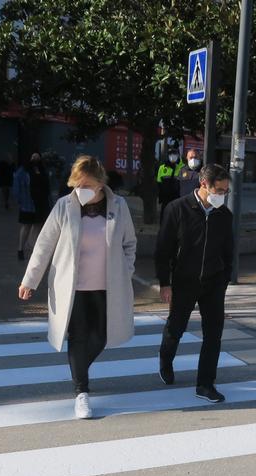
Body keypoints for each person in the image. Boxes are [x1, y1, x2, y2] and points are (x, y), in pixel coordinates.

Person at [19, 155, 138, 419]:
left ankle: (78, 370)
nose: (81, 190)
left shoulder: (118, 206)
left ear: (100, 183)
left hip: (108, 287)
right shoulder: (64, 206)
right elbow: (43, 245)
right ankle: (81, 392)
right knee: (78, 338)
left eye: (87, 185)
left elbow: (130, 244)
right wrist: (30, 280)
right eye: (77, 184)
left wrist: (125, 271)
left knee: (102, 336)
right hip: (72, 289)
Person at [154, 163, 235, 403]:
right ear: (203, 185)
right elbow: (163, 249)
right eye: (218, 190)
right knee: (176, 327)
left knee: (214, 334)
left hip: (213, 282)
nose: (221, 196)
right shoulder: (177, 209)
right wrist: (164, 283)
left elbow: (228, 251)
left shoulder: (224, 215)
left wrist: (224, 279)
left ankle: (205, 384)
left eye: (225, 191)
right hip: (183, 281)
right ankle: (165, 359)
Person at [14, 156, 39, 260]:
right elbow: (16, 189)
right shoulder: (22, 172)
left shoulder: (38, 169)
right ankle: (21, 249)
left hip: (37, 204)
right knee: (26, 226)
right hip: (27, 204)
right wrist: (20, 201)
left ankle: (30, 247)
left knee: (35, 225)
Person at [157, 142, 184, 215]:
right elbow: (159, 184)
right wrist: (160, 198)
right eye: (170, 154)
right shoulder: (162, 168)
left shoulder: (183, 168)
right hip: (165, 201)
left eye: (174, 153)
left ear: (178, 155)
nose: (172, 156)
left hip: (178, 200)